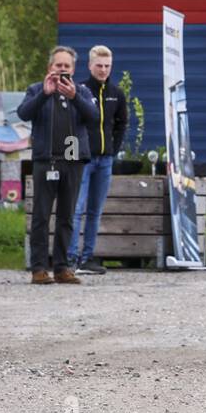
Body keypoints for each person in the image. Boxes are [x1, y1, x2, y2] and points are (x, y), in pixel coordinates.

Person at [18, 46, 99, 285]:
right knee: (41, 216)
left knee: (67, 216)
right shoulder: (35, 89)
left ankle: (63, 267)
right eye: (58, 66)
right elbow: (23, 113)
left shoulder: (82, 91)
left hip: (72, 161)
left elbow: (94, 117)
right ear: (49, 67)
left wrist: (74, 97)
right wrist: (44, 93)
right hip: (46, 160)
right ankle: (39, 268)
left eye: (66, 67)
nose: (62, 70)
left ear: (73, 69)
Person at [68, 45, 128, 274]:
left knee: (95, 210)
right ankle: (71, 257)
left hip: (105, 160)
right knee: (77, 208)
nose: (103, 70)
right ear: (90, 65)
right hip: (83, 159)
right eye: (99, 66)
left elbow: (121, 123)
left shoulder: (116, 93)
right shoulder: (80, 90)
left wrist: (113, 148)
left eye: (107, 66)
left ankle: (88, 257)